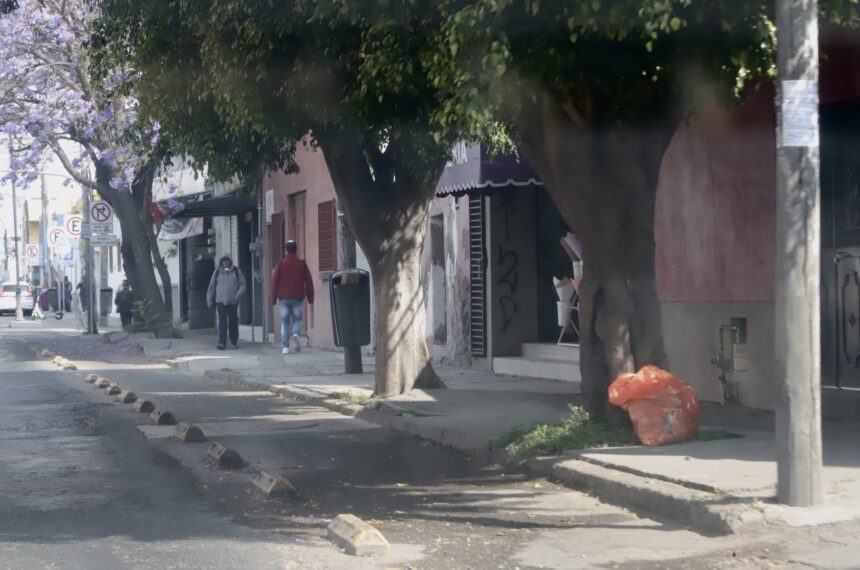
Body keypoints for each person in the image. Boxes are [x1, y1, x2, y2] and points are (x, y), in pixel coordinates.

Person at [271, 240, 314, 354]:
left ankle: (285, 347)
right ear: (296, 249)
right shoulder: (302, 264)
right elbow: (309, 281)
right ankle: (295, 333)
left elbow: (274, 281)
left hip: (284, 298)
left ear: (286, 250)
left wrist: (273, 298)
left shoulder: (280, 264)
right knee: (297, 319)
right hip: (297, 297)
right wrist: (310, 297)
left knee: (285, 322)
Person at [207, 253, 246, 350]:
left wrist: (239, 293)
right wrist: (209, 300)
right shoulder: (217, 272)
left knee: (233, 321)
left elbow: (242, 284)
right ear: (221, 262)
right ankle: (222, 342)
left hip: (233, 301)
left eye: (227, 260)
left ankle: (234, 342)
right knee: (222, 322)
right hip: (220, 301)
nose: (225, 262)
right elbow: (211, 287)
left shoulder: (236, 271)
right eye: (224, 260)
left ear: (230, 261)